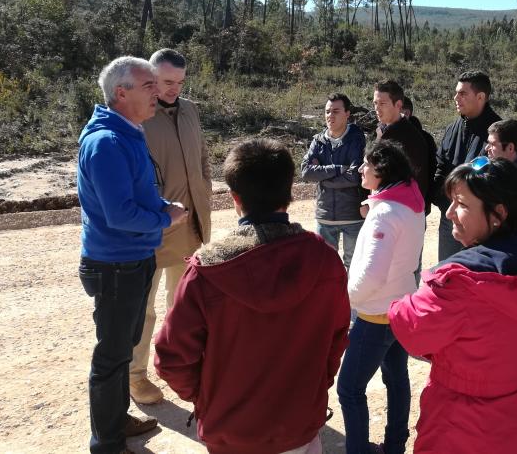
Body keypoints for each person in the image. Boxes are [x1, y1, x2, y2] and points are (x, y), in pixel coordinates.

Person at [155, 138, 350, 454]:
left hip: (230, 433)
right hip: (298, 426)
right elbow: (337, 339)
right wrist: (316, 386)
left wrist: (206, 397)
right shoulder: (325, 260)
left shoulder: (206, 272)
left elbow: (172, 359)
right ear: (288, 194)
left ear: (235, 198)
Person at [388, 157, 517, 454]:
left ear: (498, 214)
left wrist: (399, 302)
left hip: (464, 428)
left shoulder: (459, 284)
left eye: (462, 205)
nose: (450, 213)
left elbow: (411, 329)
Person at [77, 56, 188, 454]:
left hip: (132, 259)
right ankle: (106, 443)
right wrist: (164, 216)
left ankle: (117, 421)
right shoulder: (106, 142)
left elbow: (133, 194)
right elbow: (119, 213)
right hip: (116, 265)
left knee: (123, 349)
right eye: (148, 86)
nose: (157, 92)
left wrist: (160, 205)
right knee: (110, 357)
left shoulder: (127, 131)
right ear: (120, 93)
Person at [128, 49, 213, 405]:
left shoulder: (191, 110)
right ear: (150, 77)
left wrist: (205, 190)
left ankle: (179, 365)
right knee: (142, 311)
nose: (174, 89)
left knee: (183, 305)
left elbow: (203, 158)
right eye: (167, 82)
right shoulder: (135, 116)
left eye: (180, 82)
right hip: (150, 233)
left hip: (190, 226)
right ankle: (135, 376)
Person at [337, 141, 425, 454]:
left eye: (366, 164)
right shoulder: (410, 202)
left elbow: (371, 275)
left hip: (375, 315)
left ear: (382, 169)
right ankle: (395, 445)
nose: (361, 169)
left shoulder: (385, 213)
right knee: (397, 379)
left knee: (349, 388)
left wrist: (344, 300)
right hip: (401, 307)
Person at [432, 70, 501, 260]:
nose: (456, 98)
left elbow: (497, 177)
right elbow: (440, 165)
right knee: (446, 274)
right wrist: (443, 200)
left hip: (481, 223)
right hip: (450, 218)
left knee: (477, 278)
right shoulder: (452, 129)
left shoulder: (497, 132)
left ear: (481, 97)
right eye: (456, 92)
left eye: (463, 93)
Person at [301, 92, 366, 269]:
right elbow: (306, 172)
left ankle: (351, 298)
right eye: (328, 111)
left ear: (347, 114)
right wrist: (338, 169)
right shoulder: (318, 141)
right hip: (325, 215)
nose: (330, 116)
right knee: (325, 267)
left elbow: (354, 176)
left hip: (352, 215)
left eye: (336, 111)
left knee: (353, 266)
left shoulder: (356, 139)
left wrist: (322, 177)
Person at [373, 80, 430, 204]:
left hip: (402, 209)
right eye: (375, 103)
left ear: (398, 105)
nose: (377, 108)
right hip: (384, 204)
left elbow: (415, 181)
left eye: (382, 103)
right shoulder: (381, 131)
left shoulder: (409, 137)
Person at [401, 95, 438, 215]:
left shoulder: (425, 139)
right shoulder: (383, 135)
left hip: (418, 204)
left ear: (406, 113)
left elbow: (432, 169)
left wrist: (427, 200)